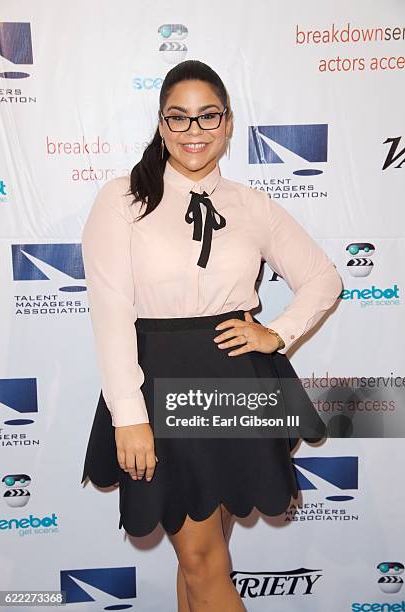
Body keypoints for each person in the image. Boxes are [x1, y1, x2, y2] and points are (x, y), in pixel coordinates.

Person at [80, 59, 342, 612]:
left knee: (203, 557)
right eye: (178, 118)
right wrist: (129, 415)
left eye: (207, 117)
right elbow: (110, 312)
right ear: (160, 124)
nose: (193, 131)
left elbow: (323, 279)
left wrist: (277, 334)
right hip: (161, 384)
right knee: (203, 561)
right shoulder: (121, 199)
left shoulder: (253, 205)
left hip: (236, 384)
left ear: (227, 124)